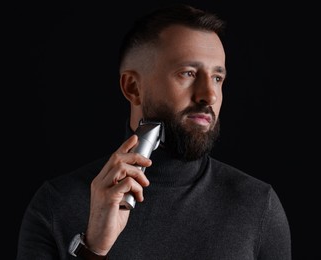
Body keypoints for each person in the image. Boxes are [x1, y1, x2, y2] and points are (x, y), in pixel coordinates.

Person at [17, 3, 291, 259]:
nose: (209, 95)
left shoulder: (256, 205)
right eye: (188, 73)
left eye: (218, 78)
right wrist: (94, 248)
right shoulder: (57, 204)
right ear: (133, 88)